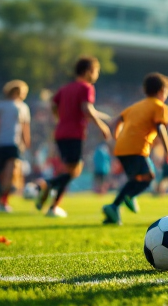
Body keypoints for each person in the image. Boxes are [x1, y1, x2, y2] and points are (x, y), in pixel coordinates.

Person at [36, 57, 112, 218]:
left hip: (61, 133)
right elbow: (87, 108)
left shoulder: (65, 88)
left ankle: (53, 206)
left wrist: (61, 118)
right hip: (74, 134)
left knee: (69, 171)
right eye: (96, 71)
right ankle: (49, 185)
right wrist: (101, 126)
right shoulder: (86, 88)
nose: (96, 75)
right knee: (73, 171)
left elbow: (54, 105)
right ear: (87, 71)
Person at [101, 73, 168, 225]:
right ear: (162, 91)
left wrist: (114, 139)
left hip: (122, 148)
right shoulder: (159, 106)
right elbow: (160, 126)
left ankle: (113, 213)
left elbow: (115, 121)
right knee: (148, 178)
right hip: (137, 148)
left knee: (135, 179)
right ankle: (118, 203)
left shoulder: (134, 106)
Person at [0, 79, 31, 213]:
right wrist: (26, 143)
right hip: (13, 144)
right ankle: (3, 201)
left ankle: (0, 201)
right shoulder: (22, 107)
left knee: (1, 174)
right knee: (9, 174)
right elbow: (25, 128)